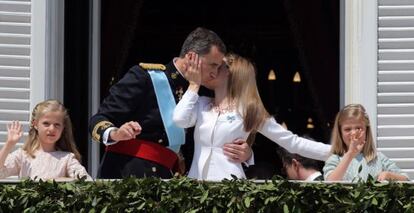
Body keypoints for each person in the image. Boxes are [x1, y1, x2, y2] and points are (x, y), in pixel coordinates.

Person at [89, 27, 253, 179]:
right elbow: (97, 120)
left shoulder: (203, 93)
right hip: (127, 174)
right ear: (190, 57)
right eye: (213, 65)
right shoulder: (146, 77)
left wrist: (246, 154)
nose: (215, 73)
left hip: (169, 177)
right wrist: (115, 133)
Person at [173, 53, 331, 181]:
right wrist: (194, 85)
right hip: (197, 186)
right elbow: (180, 119)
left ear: (231, 74)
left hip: (230, 190)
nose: (211, 71)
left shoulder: (249, 111)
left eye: (217, 67)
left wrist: (341, 152)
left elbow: (292, 143)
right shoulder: (201, 103)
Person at [0, 100, 91, 180]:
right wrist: (9, 144)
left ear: (63, 128)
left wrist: (62, 180)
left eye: (57, 125)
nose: (51, 129)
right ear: (35, 124)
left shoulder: (67, 158)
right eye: (46, 123)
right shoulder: (23, 156)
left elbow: (85, 182)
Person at [323, 104, 409, 182]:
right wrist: (350, 154)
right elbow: (330, 182)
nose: (353, 133)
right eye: (347, 129)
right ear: (340, 132)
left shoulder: (377, 157)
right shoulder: (335, 158)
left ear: (366, 130)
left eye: (358, 128)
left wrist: (388, 175)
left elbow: (406, 179)